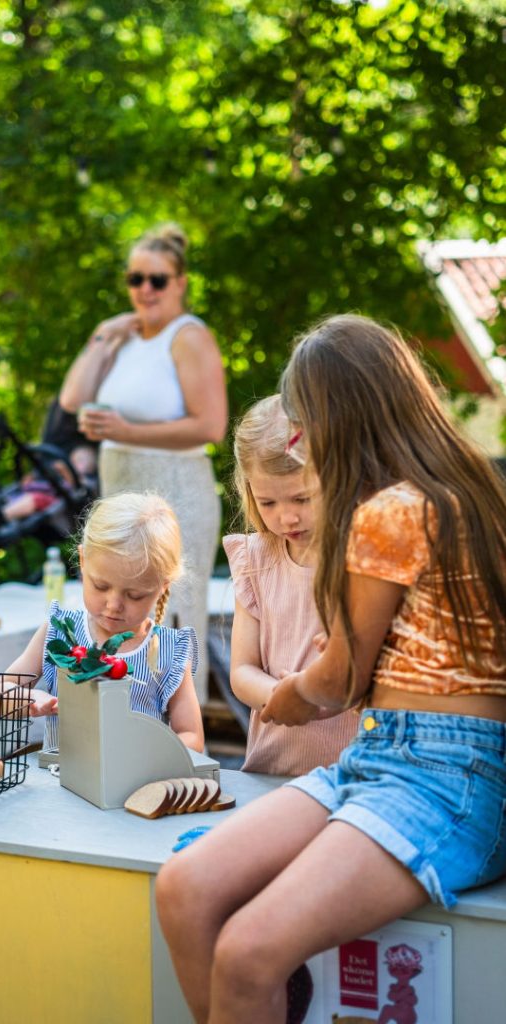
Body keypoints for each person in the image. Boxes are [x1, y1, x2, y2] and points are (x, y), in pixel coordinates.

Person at [155, 315, 506, 1024]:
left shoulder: (390, 513)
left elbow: (336, 680)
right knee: (186, 887)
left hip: (444, 776)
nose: (298, 442)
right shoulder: (473, 492)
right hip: (382, 753)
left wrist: (285, 696)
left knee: (249, 952)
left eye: (302, 423)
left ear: (340, 418)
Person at [59, 223, 228, 702]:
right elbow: (73, 398)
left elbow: (211, 425)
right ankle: (122, 716)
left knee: (172, 612)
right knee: (115, 609)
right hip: (122, 488)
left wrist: (127, 432)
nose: (145, 290)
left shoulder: (188, 336)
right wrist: (102, 335)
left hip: (176, 487)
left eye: (156, 279)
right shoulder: (124, 337)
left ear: (180, 283)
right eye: (136, 279)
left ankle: (180, 731)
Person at [3, 492, 205, 752]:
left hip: (135, 786)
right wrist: (28, 698)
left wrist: (146, 753)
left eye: (134, 595)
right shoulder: (60, 634)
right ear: (83, 560)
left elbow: (192, 737)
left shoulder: (168, 650)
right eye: (100, 586)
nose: (113, 605)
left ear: (162, 586)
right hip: (63, 784)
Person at [224, 395, 358, 774]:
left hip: (352, 773)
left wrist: (317, 692)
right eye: (267, 502)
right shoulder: (255, 558)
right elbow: (242, 670)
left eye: (302, 498)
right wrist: (283, 696)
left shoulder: (361, 557)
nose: (286, 517)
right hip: (272, 768)